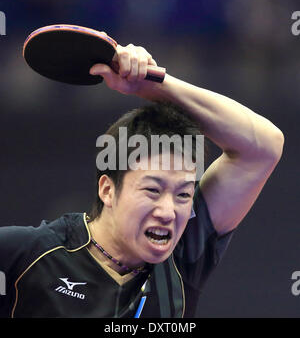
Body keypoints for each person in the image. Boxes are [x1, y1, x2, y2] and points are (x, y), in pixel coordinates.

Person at [0, 40, 284, 318]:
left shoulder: (184, 253)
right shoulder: (27, 255)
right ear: (108, 190)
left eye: (184, 194)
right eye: (152, 190)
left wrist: (153, 86)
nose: (168, 212)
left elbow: (264, 147)